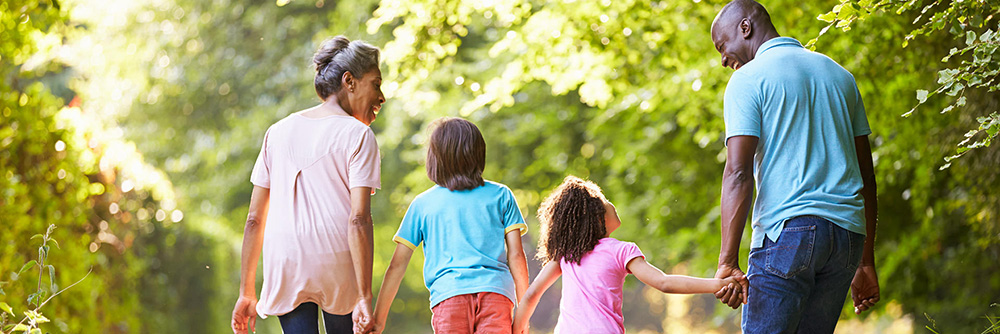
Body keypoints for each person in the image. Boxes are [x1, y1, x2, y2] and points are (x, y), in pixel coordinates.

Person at [709, 0, 880, 333]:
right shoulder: (840, 76)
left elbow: (738, 174)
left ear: (745, 28)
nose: (723, 58)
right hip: (846, 240)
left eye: (722, 45)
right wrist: (866, 260)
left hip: (789, 234)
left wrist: (727, 263)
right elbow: (867, 176)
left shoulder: (748, 80)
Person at [230, 36, 386, 334]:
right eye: (376, 83)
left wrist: (246, 292)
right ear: (349, 81)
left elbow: (254, 219)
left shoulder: (277, 132)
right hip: (337, 261)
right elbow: (359, 218)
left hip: (286, 263)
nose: (382, 96)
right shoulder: (358, 135)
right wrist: (364, 297)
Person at [512, 176, 745, 334]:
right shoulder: (622, 250)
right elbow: (664, 282)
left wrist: (517, 329)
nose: (611, 203)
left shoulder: (567, 255)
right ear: (596, 214)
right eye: (605, 200)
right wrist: (718, 284)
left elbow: (532, 294)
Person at [368, 117, 530, 334]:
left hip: (449, 295)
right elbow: (517, 257)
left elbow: (397, 266)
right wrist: (524, 315)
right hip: (496, 293)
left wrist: (378, 320)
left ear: (435, 158)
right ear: (479, 153)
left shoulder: (422, 204)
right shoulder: (502, 195)